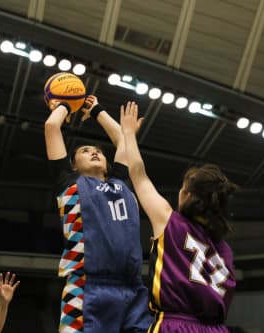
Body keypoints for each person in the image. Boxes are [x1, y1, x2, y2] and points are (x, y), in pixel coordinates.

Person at [120, 101, 238, 333]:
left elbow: (138, 174)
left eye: (182, 188)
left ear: (189, 195)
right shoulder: (225, 250)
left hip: (176, 325)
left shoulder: (169, 221)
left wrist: (128, 133)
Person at [44, 95, 152, 333]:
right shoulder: (68, 182)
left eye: (99, 152)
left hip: (132, 287)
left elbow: (124, 140)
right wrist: (65, 104)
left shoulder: (122, 182)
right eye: (85, 151)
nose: (94, 153)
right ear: (73, 164)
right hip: (87, 284)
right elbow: (52, 127)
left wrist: (97, 110)